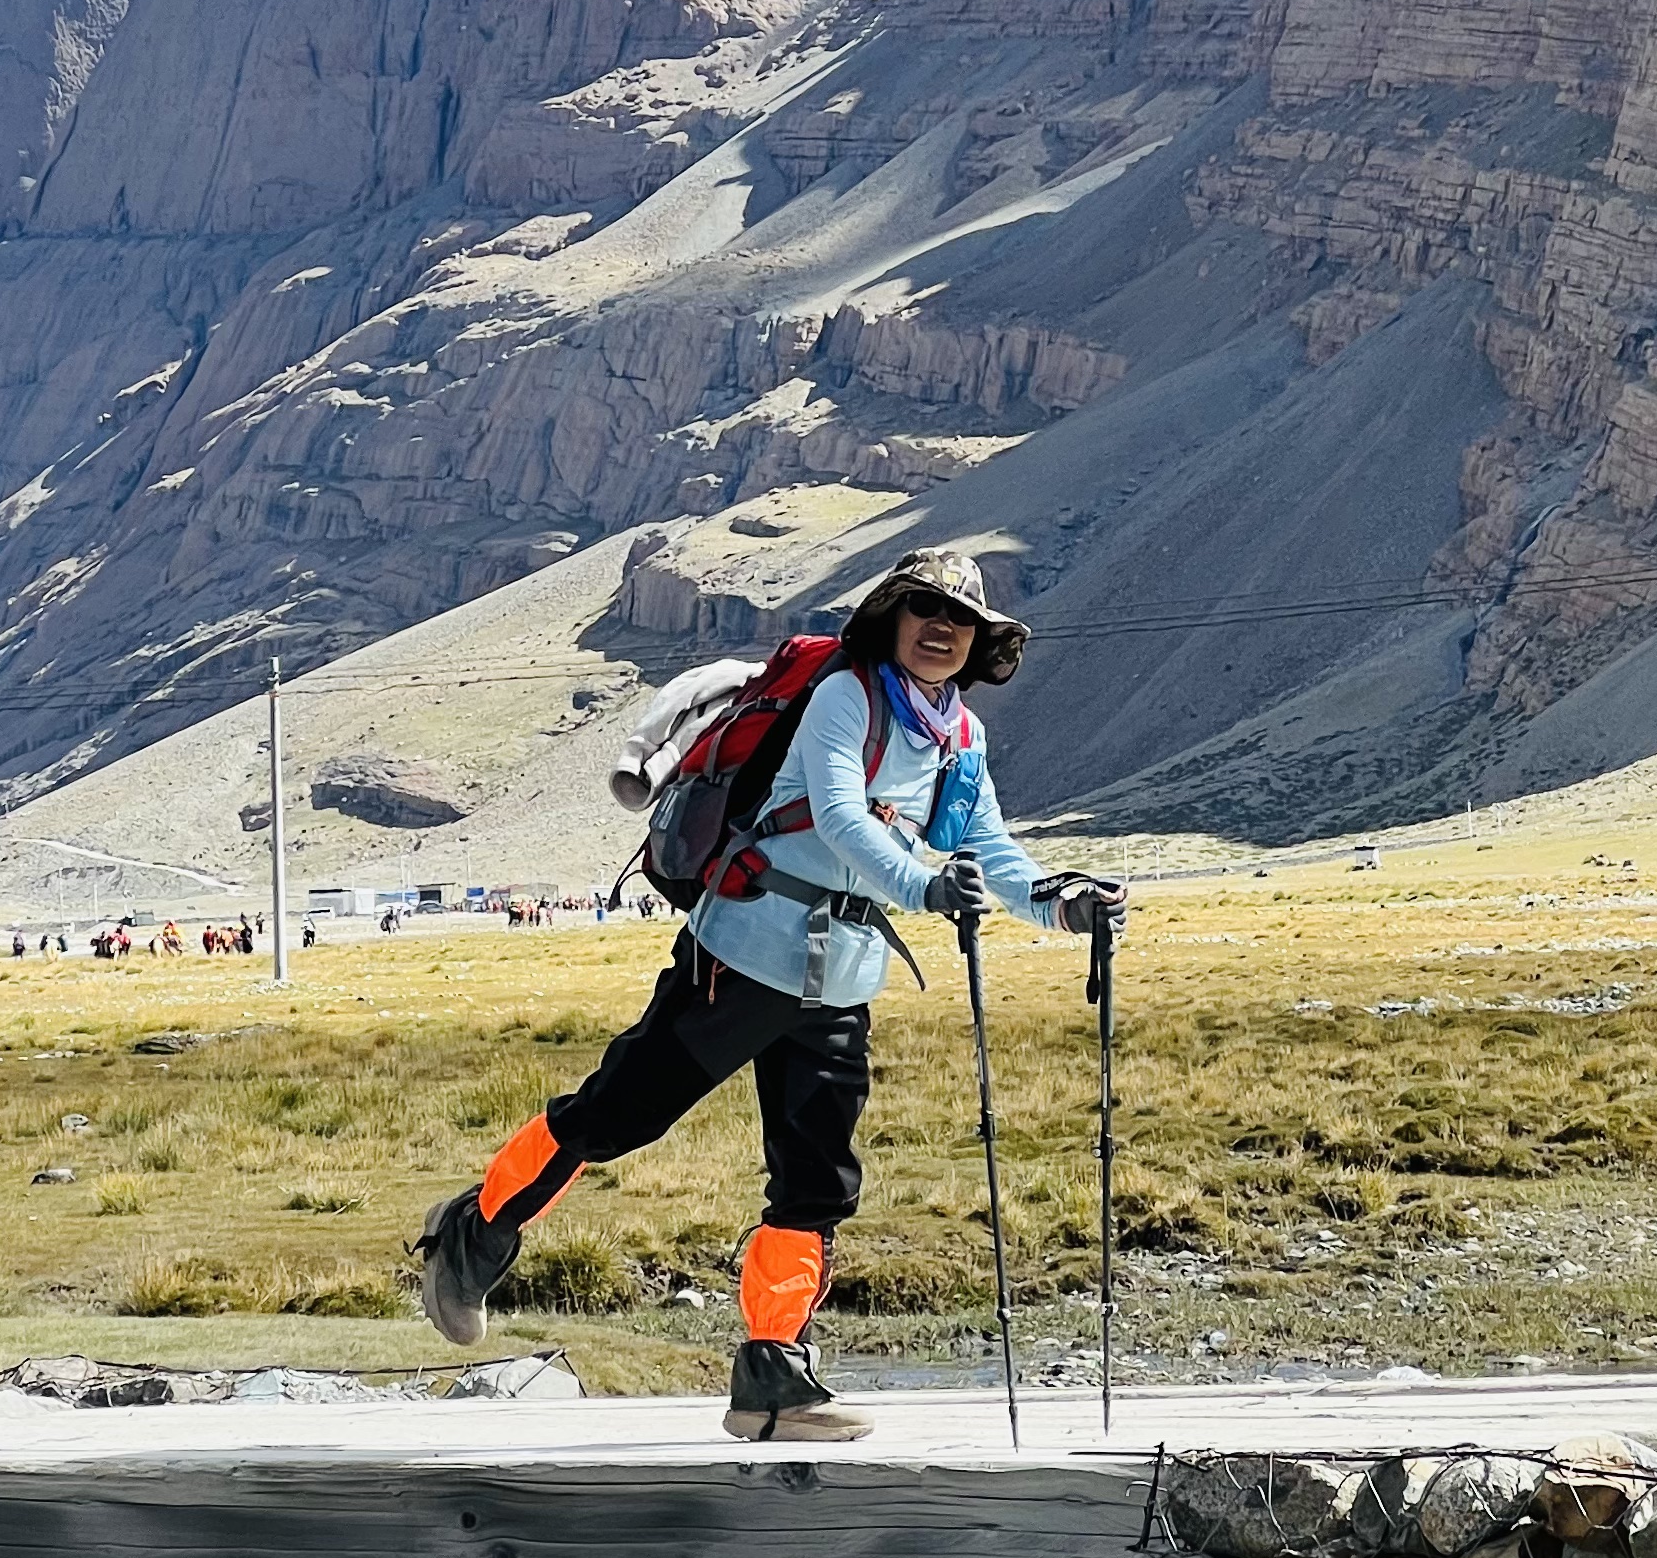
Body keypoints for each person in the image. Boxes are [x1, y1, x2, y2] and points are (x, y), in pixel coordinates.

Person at [417, 548, 1126, 1440]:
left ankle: (772, 1376)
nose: (942, 629)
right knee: (614, 1117)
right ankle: (475, 1229)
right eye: (924, 610)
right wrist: (924, 887)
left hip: (840, 983)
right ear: (893, 620)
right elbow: (839, 817)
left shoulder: (961, 737)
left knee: (817, 1181)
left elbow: (988, 848)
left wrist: (1063, 905)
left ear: (979, 642)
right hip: (741, 957)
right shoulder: (845, 697)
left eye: (960, 620)